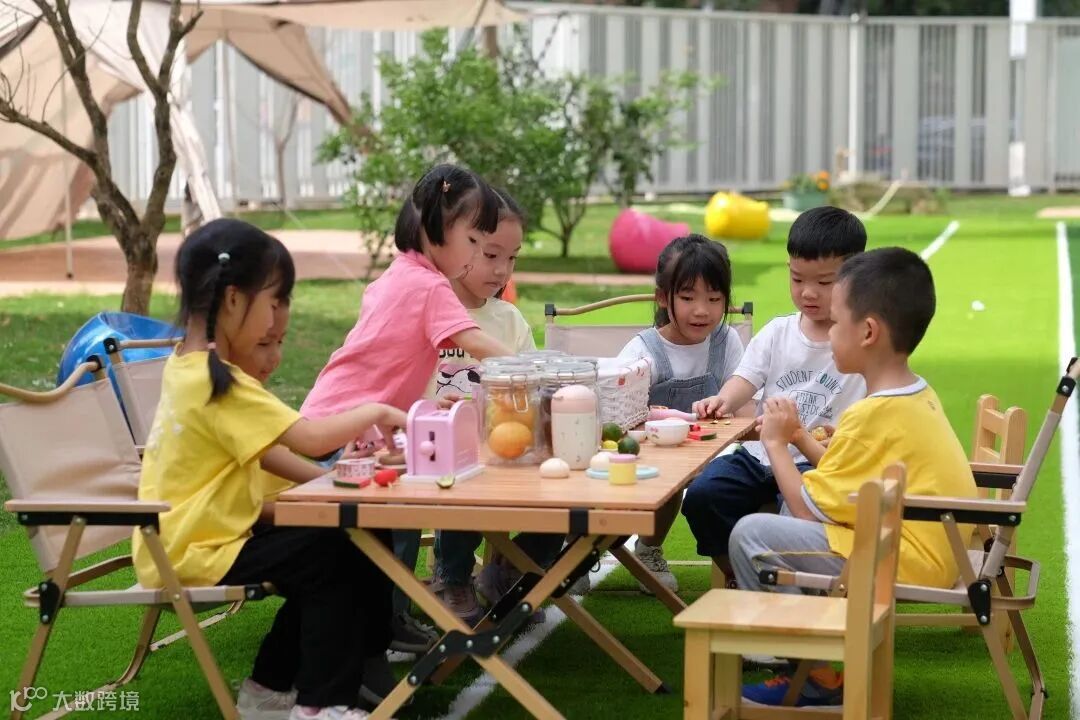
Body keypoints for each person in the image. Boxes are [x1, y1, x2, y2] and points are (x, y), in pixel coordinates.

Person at [132, 219, 407, 720]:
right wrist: (377, 410)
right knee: (332, 550)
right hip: (196, 550)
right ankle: (322, 704)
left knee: (345, 539)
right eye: (275, 300)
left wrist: (328, 479)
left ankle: (271, 688)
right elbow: (312, 437)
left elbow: (262, 452)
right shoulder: (217, 381)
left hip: (199, 540)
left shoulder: (192, 367)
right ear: (234, 299)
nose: (279, 314)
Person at [734, 247, 978, 706]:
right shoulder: (911, 394)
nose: (828, 334)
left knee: (751, 534)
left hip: (902, 559)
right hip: (931, 550)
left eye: (836, 322)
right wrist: (800, 436)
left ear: (867, 332)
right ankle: (811, 665)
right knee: (782, 518)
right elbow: (839, 472)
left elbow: (807, 509)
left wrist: (776, 443)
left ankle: (812, 676)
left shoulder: (872, 414)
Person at [301, 164, 514, 651]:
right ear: (437, 228)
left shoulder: (399, 273)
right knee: (375, 535)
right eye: (473, 241)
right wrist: (541, 368)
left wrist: (422, 403)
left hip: (336, 417)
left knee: (386, 529)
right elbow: (475, 341)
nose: (476, 255)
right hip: (345, 430)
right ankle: (373, 628)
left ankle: (386, 618)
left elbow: (384, 358)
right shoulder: (428, 285)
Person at [682, 206, 868, 584]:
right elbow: (745, 379)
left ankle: (790, 588)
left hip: (817, 464)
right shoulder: (778, 332)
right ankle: (742, 574)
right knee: (703, 496)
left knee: (797, 521)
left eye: (825, 282)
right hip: (759, 455)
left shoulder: (862, 342)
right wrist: (723, 401)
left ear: (856, 277)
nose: (808, 292)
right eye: (797, 278)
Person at [420, 188, 563, 623]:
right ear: (459, 245)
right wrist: (435, 406)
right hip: (439, 449)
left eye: (512, 258)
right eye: (491, 255)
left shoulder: (508, 319)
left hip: (505, 446)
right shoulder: (429, 308)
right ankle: (453, 577)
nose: (502, 270)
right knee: (461, 481)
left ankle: (507, 571)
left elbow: (533, 384)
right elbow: (407, 386)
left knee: (564, 488)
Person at [613, 234, 745, 594]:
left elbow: (746, 404)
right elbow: (616, 412)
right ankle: (586, 552)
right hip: (649, 457)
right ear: (662, 296)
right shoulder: (644, 351)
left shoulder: (726, 342)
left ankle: (650, 549)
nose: (702, 311)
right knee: (667, 482)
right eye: (688, 298)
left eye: (714, 299)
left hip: (711, 456)